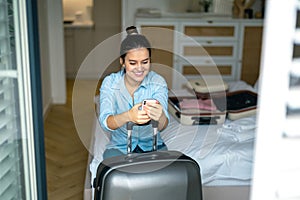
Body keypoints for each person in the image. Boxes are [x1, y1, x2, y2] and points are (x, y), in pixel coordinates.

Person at [99, 26, 169, 159]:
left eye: (145, 62)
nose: (139, 68)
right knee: (116, 175)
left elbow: (163, 125)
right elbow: (106, 122)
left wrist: (160, 115)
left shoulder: (158, 82)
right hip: (119, 147)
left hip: (153, 145)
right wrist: (128, 116)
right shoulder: (110, 83)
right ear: (122, 62)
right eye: (132, 63)